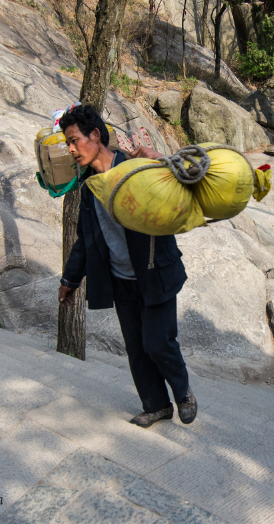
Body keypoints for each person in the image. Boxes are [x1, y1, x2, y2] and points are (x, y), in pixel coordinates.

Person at [56, 104, 197, 427]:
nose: (71, 149)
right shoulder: (89, 189)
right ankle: (156, 405)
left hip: (154, 272)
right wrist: (70, 280)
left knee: (158, 343)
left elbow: (183, 190)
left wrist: (163, 161)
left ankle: (183, 392)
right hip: (121, 279)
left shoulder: (136, 168)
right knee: (136, 348)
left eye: (75, 140)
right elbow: (84, 240)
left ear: (96, 135)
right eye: (68, 143)